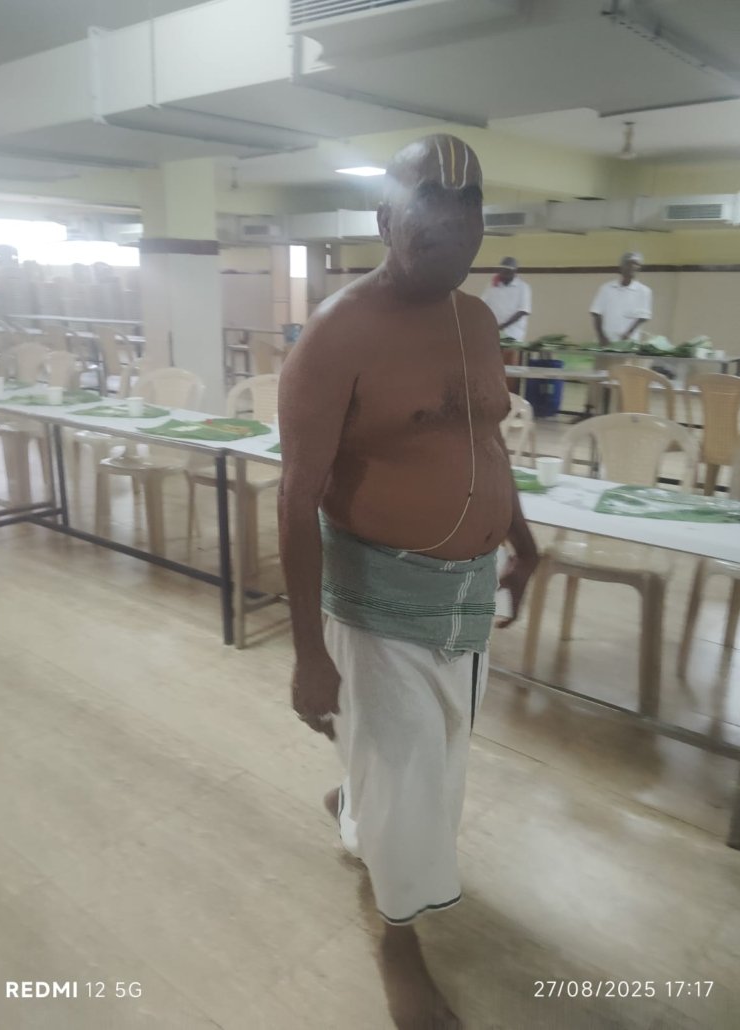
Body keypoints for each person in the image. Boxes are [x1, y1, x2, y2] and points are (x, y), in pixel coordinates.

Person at [278, 134, 539, 1029]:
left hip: (464, 592)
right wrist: (307, 655)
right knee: (410, 776)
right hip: (376, 596)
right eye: (428, 208)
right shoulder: (338, 333)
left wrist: (521, 538)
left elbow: (483, 439)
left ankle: (354, 801)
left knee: (437, 753)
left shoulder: (476, 321)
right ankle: (397, 937)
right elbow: (296, 498)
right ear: (385, 219)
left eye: (467, 210)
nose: (450, 225)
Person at [590, 252, 652, 347]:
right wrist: (601, 336)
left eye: (636, 264)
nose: (633, 267)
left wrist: (629, 333)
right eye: (629, 263)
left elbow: (643, 317)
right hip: (607, 340)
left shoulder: (644, 291)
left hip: (630, 342)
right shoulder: (606, 288)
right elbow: (596, 313)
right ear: (621, 267)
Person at [481, 256, 532, 342]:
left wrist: (502, 326)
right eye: (501, 271)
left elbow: (523, 311)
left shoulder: (523, 287)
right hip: (492, 331)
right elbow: (482, 304)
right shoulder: (492, 286)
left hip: (513, 333)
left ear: (514, 272)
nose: (503, 274)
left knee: (509, 350)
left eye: (506, 271)